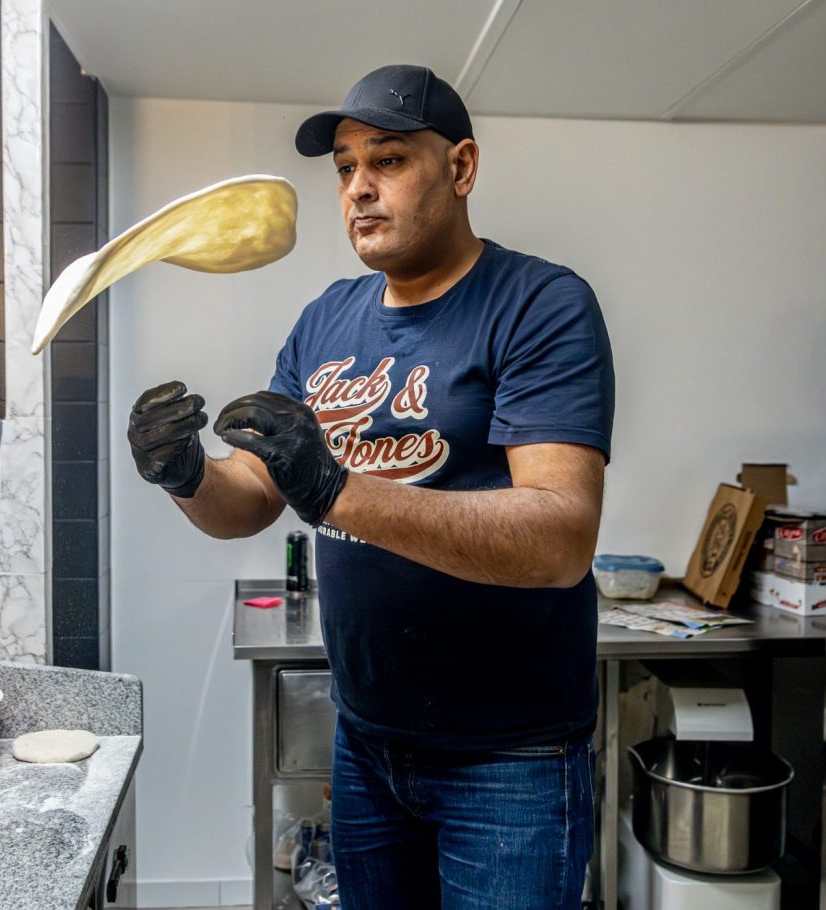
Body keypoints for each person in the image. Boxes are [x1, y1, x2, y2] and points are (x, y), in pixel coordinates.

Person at [127, 64, 614, 910]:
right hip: (367, 738)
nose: (358, 188)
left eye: (387, 161)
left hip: (512, 757)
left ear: (460, 167)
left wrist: (334, 489)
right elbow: (251, 497)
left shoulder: (540, 304)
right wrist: (187, 475)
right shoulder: (326, 318)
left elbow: (559, 536)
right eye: (346, 168)